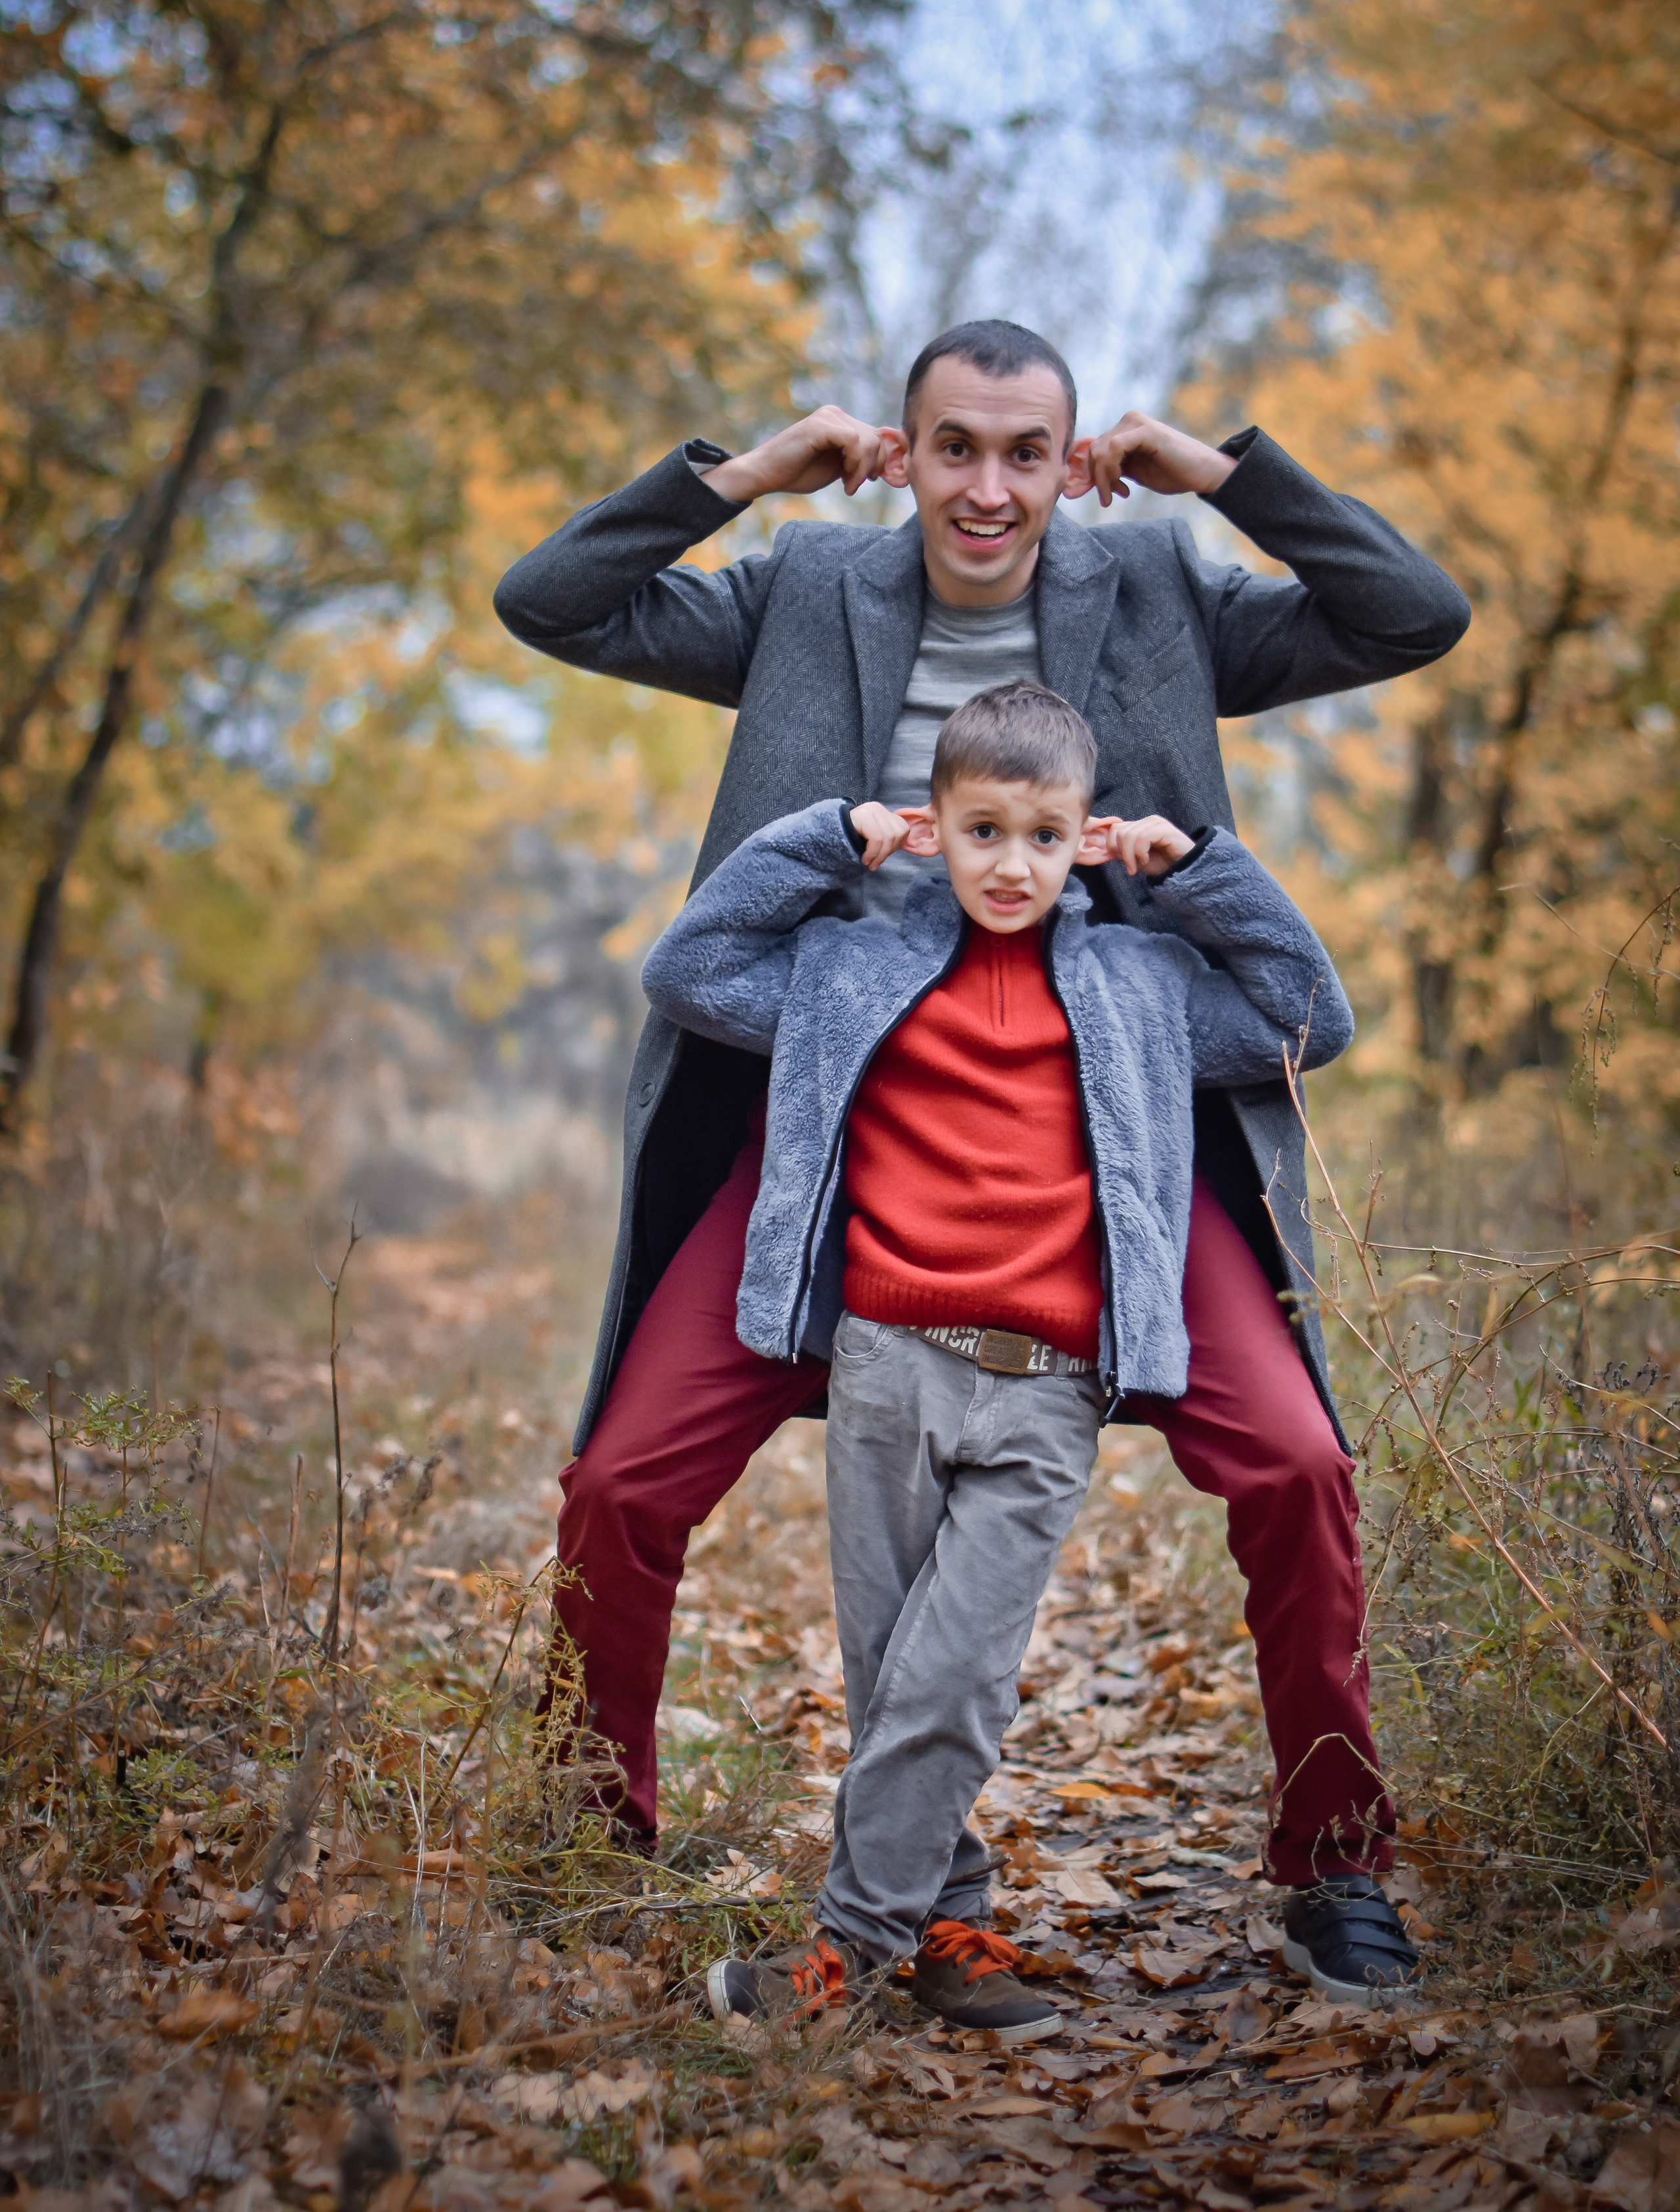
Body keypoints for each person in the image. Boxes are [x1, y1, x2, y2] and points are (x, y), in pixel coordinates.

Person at [494, 317, 1469, 2006]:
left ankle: (1333, 1871)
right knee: (619, 1485)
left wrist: (1221, 476)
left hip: (1107, 1115)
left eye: (1029, 451)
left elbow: (1412, 614)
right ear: (904, 448)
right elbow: (550, 602)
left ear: (1074, 460)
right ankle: (585, 1858)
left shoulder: (1154, 588)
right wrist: (748, 473)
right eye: (955, 446)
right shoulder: (808, 591)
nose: (990, 487)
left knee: (1298, 1468)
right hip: (828, 1108)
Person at [637, 681, 1357, 2034]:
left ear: (1083, 837)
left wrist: (1202, 873)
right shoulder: (851, 973)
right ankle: (947, 1922)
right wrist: (821, 842)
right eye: (981, 832)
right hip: (884, 1369)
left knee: (957, 1677)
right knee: (893, 1675)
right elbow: (684, 972)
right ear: (936, 830)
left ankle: (838, 1955)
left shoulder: (1136, 989)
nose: (1010, 864)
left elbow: (1306, 1017)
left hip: (1045, 1390)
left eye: (1042, 834)